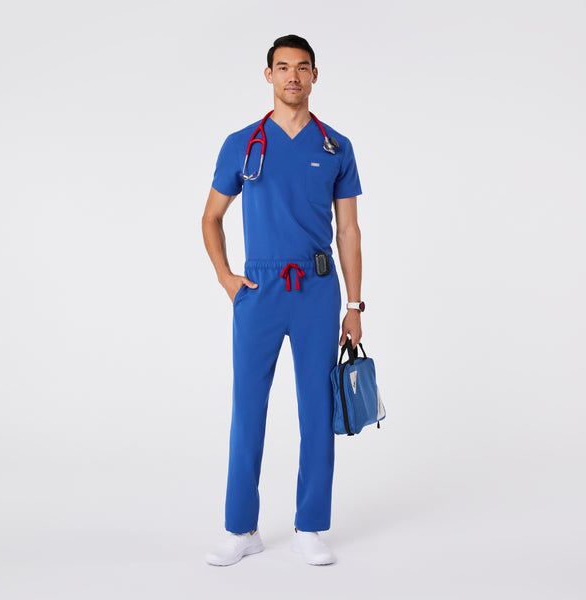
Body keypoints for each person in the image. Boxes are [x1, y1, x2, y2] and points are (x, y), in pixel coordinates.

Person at [201, 34, 365, 566]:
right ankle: (240, 529)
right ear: (268, 74)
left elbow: (349, 231)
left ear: (314, 75)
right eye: (283, 67)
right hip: (259, 291)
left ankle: (309, 526)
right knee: (248, 409)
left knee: (317, 409)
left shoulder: (335, 147)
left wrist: (354, 306)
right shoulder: (242, 144)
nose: (293, 76)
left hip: (317, 291)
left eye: (302, 67)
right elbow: (211, 217)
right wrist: (227, 278)